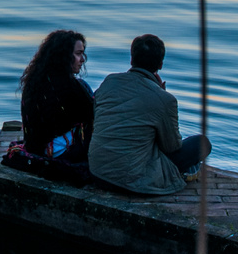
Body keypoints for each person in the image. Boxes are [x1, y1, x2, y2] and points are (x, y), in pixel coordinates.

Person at [88, 34, 211, 195]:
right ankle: (186, 172)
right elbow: (172, 146)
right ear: (160, 64)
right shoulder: (165, 99)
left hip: (98, 173)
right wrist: (161, 95)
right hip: (134, 182)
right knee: (201, 143)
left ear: (132, 59)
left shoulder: (109, 81)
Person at [20, 29, 94, 163]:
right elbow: (92, 115)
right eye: (78, 54)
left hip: (35, 147)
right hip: (57, 151)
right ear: (64, 56)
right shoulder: (70, 86)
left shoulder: (34, 81)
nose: (83, 59)